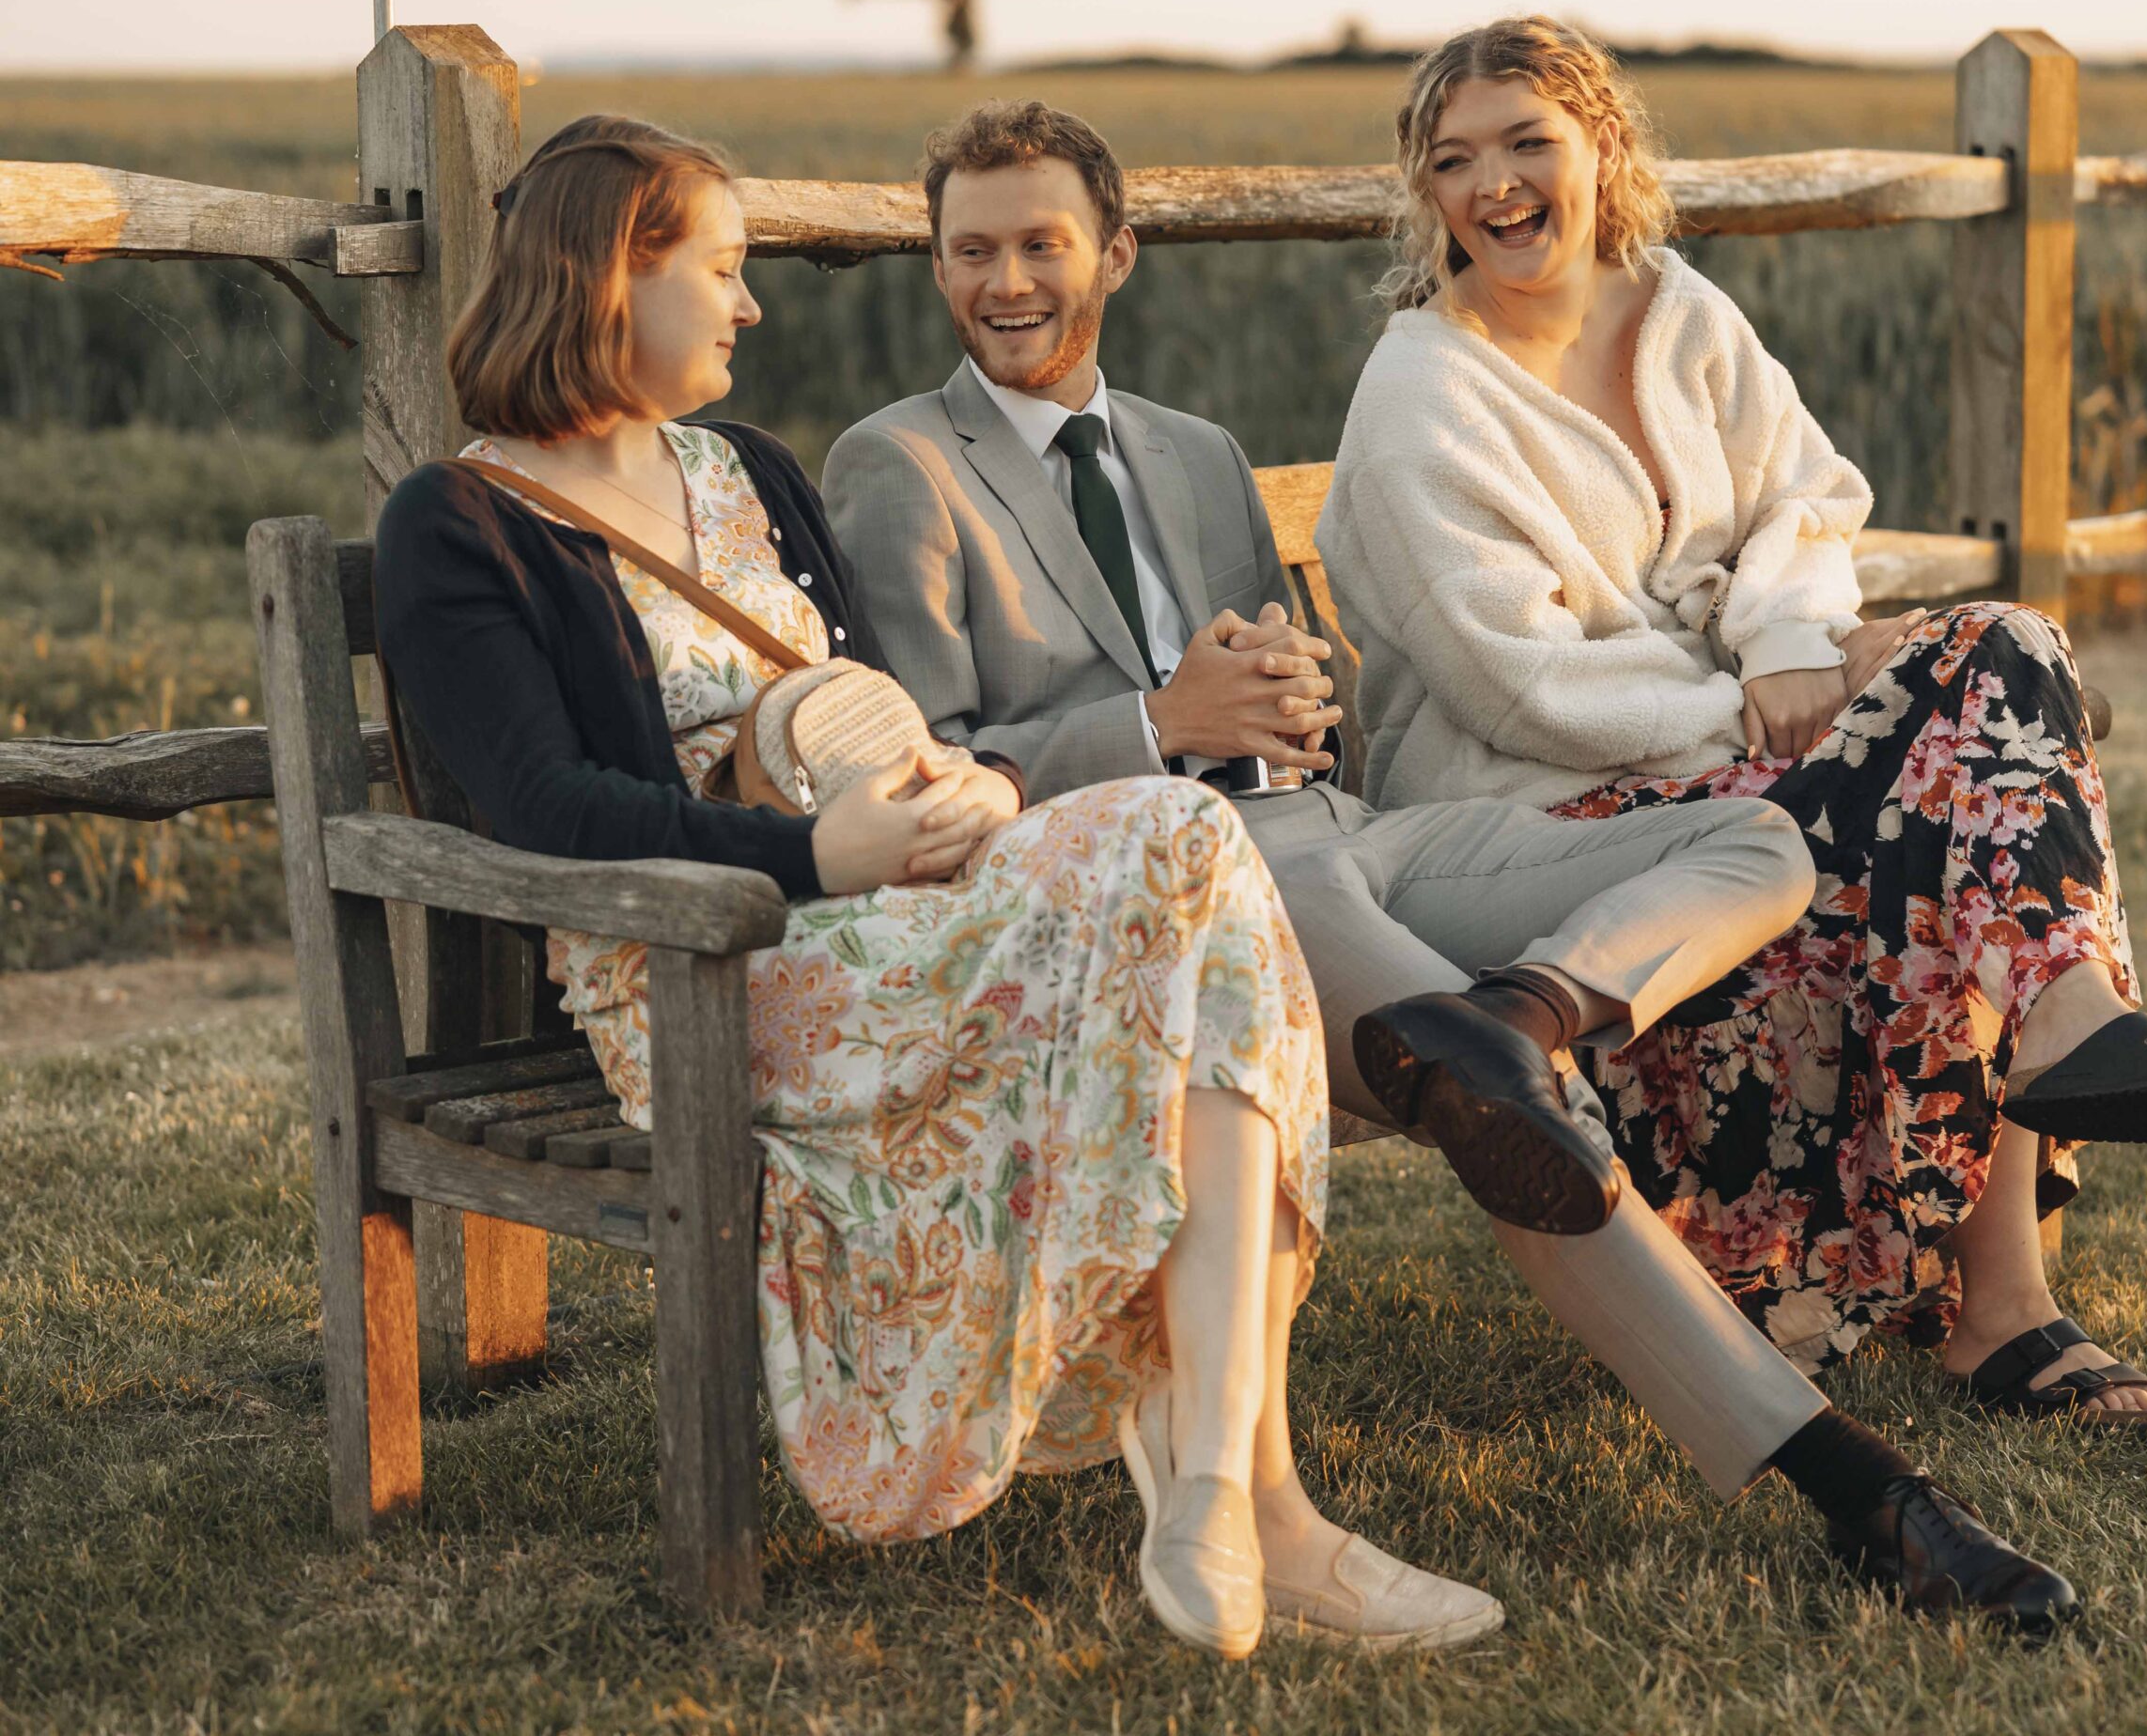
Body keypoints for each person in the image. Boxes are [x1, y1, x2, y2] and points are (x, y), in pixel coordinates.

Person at [820, 100, 2082, 1637]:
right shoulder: (896, 464)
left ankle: (1535, 1008)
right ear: (935, 267)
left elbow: (1288, 701)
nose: (1004, 282)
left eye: (1040, 245)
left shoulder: (1198, 456)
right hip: (1161, 887)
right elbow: (932, 773)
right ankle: (1865, 1495)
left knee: (1757, 840)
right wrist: (1157, 724)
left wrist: (1288, 697)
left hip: (1338, 831)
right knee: (1501, 1119)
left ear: (1116, 255)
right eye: (969, 253)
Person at [372, 114, 1504, 1660]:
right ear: (606, 281)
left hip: (895, 909)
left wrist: (954, 789)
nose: (749, 305)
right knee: (1183, 941)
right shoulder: (463, 520)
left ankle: (1223, 1500)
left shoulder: (746, 471)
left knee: (1187, 848)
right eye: (719, 270)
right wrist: (816, 855)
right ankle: (1271, 1514)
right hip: (709, 962)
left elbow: (868, 719)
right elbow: (549, 812)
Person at [1316, 16, 2147, 1420]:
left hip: (1739, 756)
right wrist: (1755, 713)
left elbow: (1804, 502)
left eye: (1531, 142)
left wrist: (1788, 641)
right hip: (1540, 809)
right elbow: (1514, 677)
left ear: (1602, 148)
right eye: (1457, 159)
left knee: (2005, 647)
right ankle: (2008, 1301)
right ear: (1429, 191)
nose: (1499, 186)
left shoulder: (1675, 310)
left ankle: (2073, 1019)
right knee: (1942, 812)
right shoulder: (1425, 389)